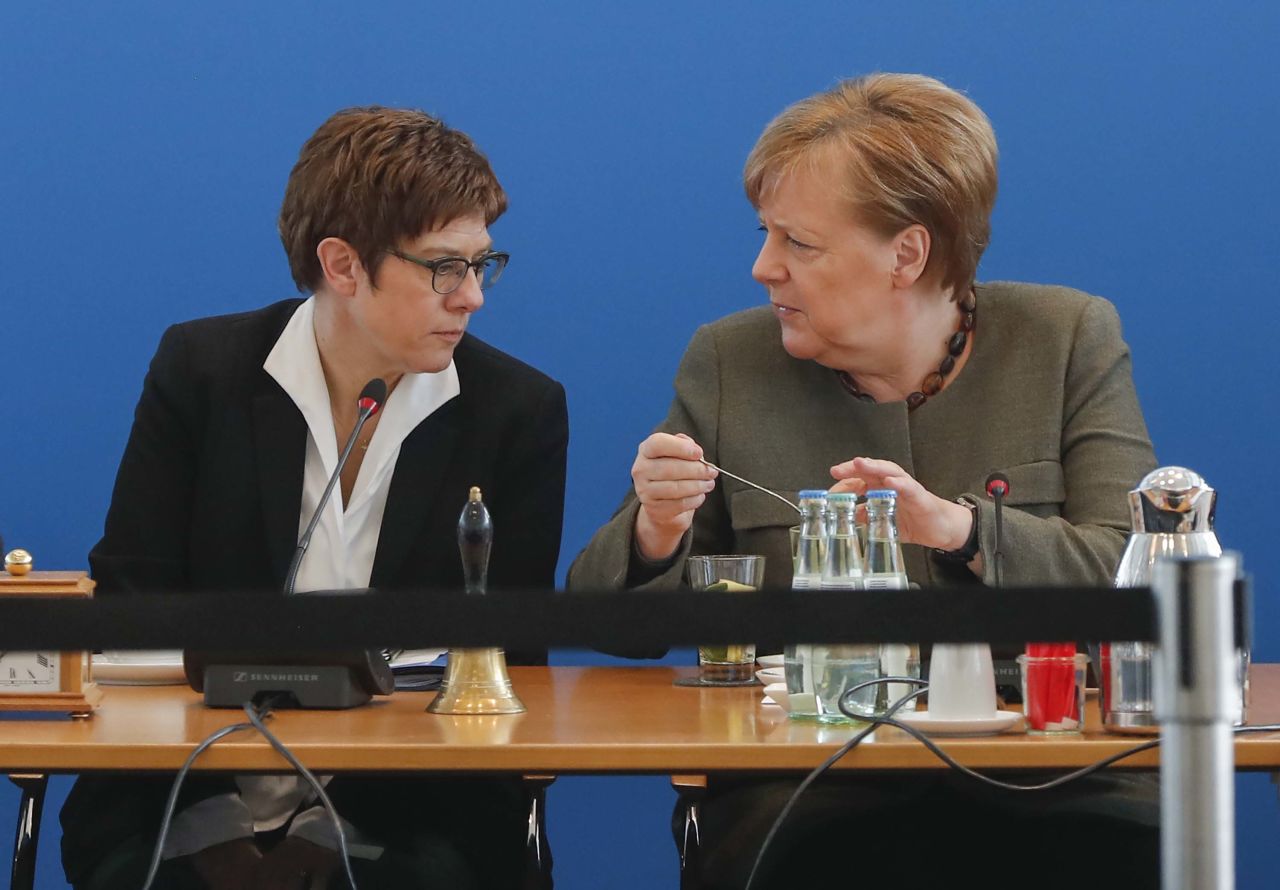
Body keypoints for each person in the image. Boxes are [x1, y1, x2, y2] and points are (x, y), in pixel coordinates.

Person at [568, 74, 1158, 889]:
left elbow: (1137, 577)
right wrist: (656, 529)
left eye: (797, 244)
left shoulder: (1064, 339)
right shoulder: (729, 362)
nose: (761, 268)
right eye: (765, 235)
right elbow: (617, 627)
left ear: (906, 255)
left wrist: (960, 530)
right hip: (809, 776)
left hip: (1049, 759)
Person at [60, 106, 568, 890]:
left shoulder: (516, 411)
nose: (472, 297)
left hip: (413, 812)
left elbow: (504, 670)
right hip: (186, 792)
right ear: (343, 265)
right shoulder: (203, 372)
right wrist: (226, 831)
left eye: (482, 263)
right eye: (444, 267)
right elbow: (131, 609)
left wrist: (322, 839)